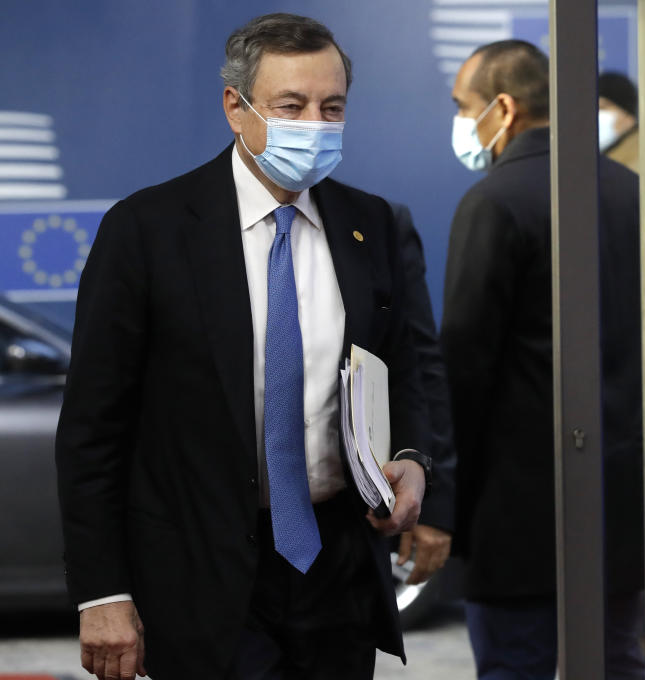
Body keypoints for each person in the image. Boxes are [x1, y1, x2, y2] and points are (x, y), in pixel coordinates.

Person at [55, 14, 433, 680]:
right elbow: (93, 429)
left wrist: (412, 459)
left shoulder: (370, 225)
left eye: (332, 107)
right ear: (237, 106)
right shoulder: (148, 231)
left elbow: (409, 367)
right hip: (200, 579)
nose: (314, 124)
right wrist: (102, 592)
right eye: (292, 106)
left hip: (337, 568)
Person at [442, 40, 645, 680]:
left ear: (503, 108)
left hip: (519, 511)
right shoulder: (635, 192)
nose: (458, 120)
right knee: (617, 660)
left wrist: (445, 497)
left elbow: (465, 366)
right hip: (624, 504)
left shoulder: (495, 200)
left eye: (462, 106)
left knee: (515, 666)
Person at [390, 203, 456, 584]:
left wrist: (433, 501)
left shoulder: (379, 222)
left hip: (350, 523)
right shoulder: (181, 217)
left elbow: (420, 362)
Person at [598, 71, 639, 174]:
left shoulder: (640, 159)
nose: (597, 115)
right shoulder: (608, 158)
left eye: (603, 108)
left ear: (628, 116)